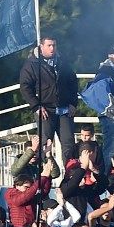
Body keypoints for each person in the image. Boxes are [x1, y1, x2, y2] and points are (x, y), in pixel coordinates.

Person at [18, 37, 80, 166]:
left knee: (69, 145)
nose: (52, 48)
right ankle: (43, 174)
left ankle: (70, 174)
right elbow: (25, 87)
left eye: (54, 45)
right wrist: (36, 106)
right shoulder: (32, 64)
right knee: (45, 144)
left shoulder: (62, 61)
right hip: (45, 110)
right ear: (41, 47)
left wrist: (73, 103)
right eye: (49, 45)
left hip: (64, 109)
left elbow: (73, 82)